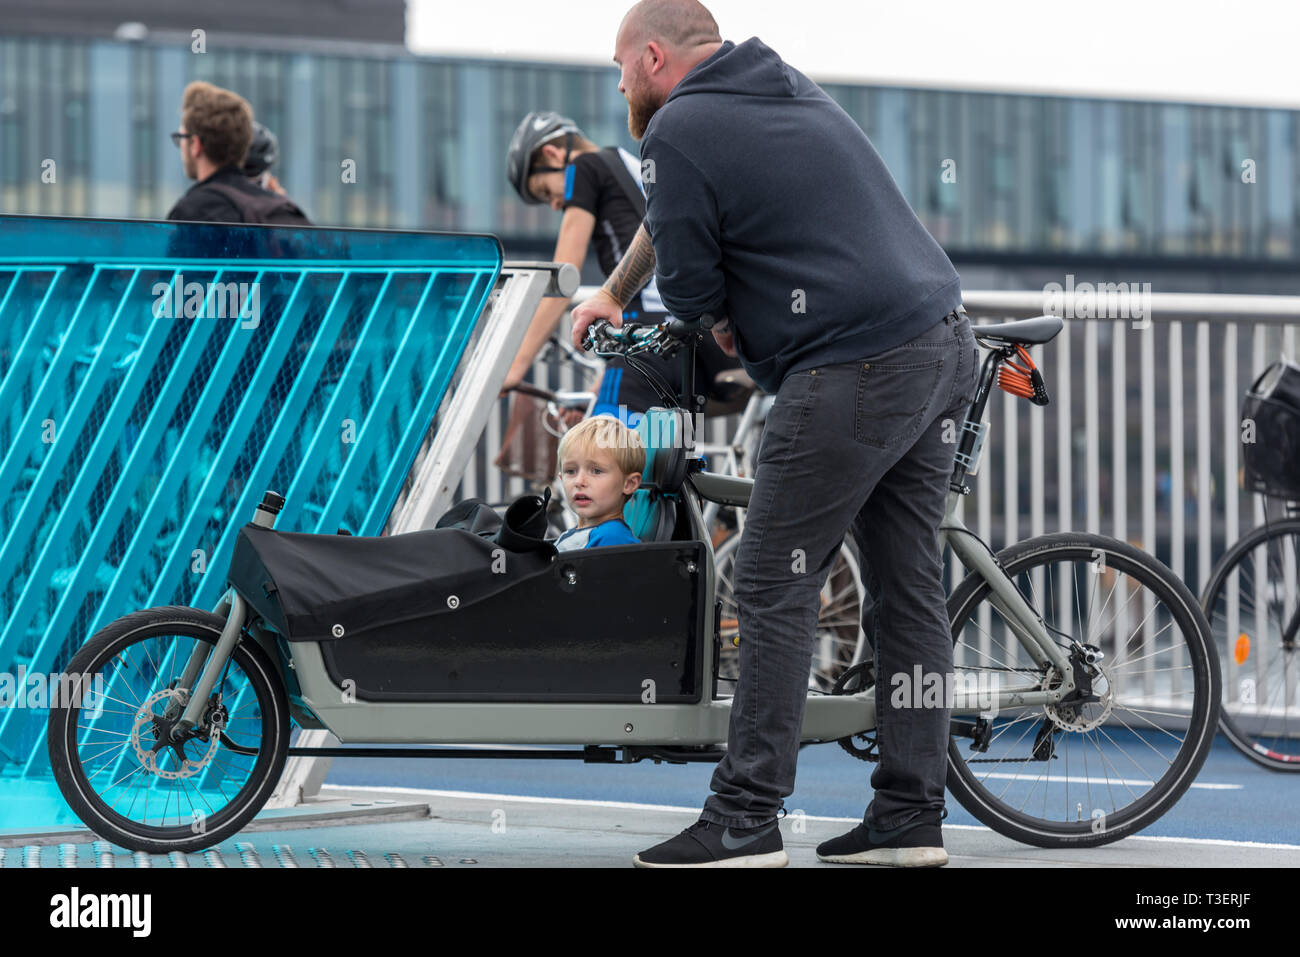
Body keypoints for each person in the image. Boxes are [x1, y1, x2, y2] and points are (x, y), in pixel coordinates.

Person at [572, 0, 978, 868]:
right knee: (907, 586)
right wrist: (614, 288)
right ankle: (912, 815)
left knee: (769, 577)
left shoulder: (678, 124)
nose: (616, 84)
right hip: (941, 339)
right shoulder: (777, 86)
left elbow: (686, 288)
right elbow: (673, 214)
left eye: (617, 66)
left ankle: (747, 816)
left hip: (855, 363)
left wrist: (713, 317)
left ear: (652, 57)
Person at [502, 111, 737, 422]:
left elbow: (562, 279)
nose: (555, 204)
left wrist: (513, 367)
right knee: (665, 459)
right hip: (703, 335)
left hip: (654, 334)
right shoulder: (626, 162)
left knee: (603, 451)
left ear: (553, 153)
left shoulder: (583, 168)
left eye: (546, 191)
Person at [167, 81, 311, 226]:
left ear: (196, 145)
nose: (181, 146)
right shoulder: (283, 209)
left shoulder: (193, 212)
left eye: (181, 138)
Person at [553, 415, 643, 551]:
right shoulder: (575, 534)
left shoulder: (613, 539)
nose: (579, 481)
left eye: (596, 471)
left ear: (629, 484)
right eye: (571, 471)